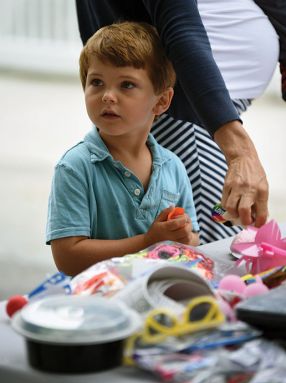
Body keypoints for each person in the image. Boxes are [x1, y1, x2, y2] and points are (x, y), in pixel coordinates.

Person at [75, 0, 286, 244]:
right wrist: (240, 153)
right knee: (222, 248)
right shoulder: (78, 167)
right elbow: (181, 27)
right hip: (194, 120)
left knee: (221, 232)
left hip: (207, 117)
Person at [46, 21, 200, 276]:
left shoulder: (173, 166)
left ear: (161, 101)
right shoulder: (75, 167)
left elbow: (193, 239)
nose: (107, 96)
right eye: (96, 82)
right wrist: (147, 243)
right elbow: (67, 258)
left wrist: (183, 236)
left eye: (126, 85)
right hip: (98, 304)